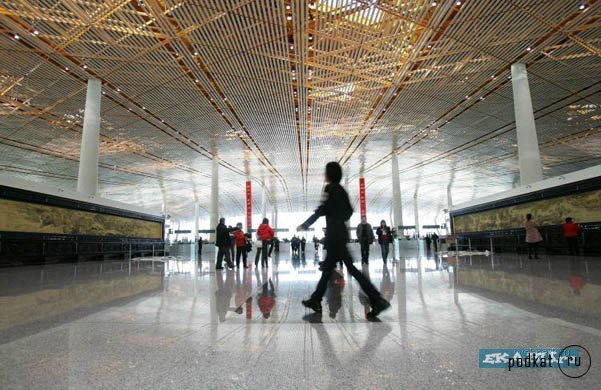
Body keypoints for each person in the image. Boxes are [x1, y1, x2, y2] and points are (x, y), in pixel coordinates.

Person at [298, 161, 390, 318]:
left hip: (334, 236)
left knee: (346, 269)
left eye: (325, 172)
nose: (324, 175)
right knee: (330, 269)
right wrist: (336, 215)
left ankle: (377, 299)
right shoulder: (341, 190)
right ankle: (316, 299)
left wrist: (306, 224)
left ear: (329, 174)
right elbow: (349, 211)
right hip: (340, 234)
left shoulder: (330, 188)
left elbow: (322, 210)